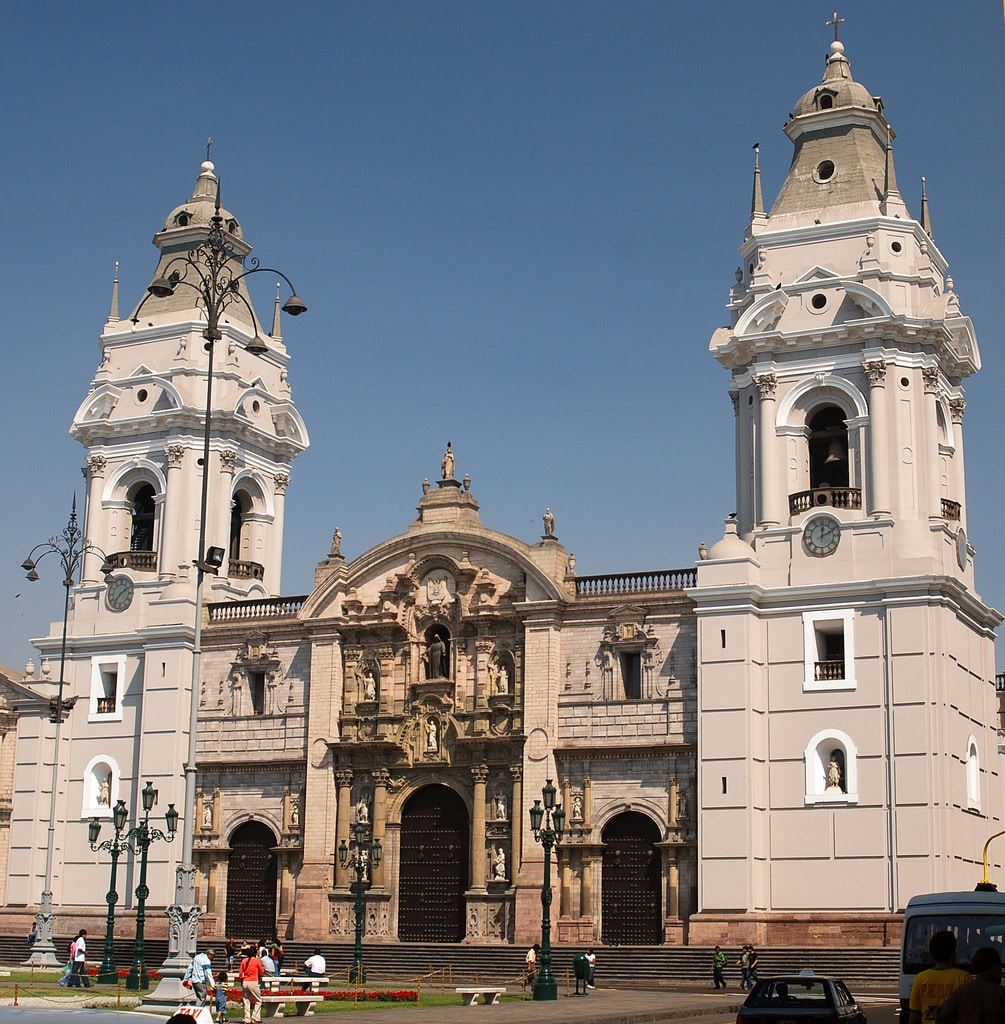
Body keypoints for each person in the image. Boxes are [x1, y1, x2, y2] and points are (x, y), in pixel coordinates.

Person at [909, 930, 970, 1023]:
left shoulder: (920, 978)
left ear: (932, 954)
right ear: (953, 952)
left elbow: (914, 1017)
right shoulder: (964, 978)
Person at [936, 945, 1005, 1023]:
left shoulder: (962, 991)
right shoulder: (1001, 993)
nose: (1001, 971)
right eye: (1000, 966)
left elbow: (942, 1017)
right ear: (994, 966)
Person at [238, 944, 266, 1024]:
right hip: (253, 981)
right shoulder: (256, 961)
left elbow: (240, 973)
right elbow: (262, 971)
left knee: (246, 1001)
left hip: (245, 982)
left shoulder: (244, 961)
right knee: (258, 1000)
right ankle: (255, 1017)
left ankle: (247, 1019)